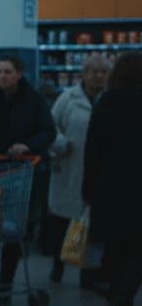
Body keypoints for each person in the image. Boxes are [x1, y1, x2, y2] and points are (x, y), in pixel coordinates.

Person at [0, 54, 56, 300]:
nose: (2, 76)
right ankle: (3, 267)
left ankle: (4, 281)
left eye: (7, 72)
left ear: (19, 73)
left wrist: (27, 146)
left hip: (25, 173)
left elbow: (49, 131)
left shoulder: (34, 100)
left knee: (13, 229)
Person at [82, 51, 142, 306]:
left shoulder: (105, 103)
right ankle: (124, 299)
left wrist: (88, 189)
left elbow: (92, 150)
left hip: (109, 188)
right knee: (137, 250)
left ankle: (117, 298)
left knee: (115, 248)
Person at [46, 54, 109, 286]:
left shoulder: (109, 99)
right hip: (69, 167)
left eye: (103, 72)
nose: (98, 76)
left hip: (99, 171)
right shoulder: (67, 99)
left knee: (94, 225)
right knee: (63, 221)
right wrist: (61, 143)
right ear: (83, 74)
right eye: (93, 71)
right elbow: (50, 127)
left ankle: (89, 273)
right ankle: (58, 264)